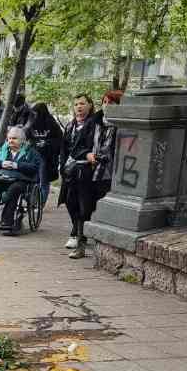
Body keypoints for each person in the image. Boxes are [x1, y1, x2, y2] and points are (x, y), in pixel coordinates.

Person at [58, 93, 102, 259]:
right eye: (76, 104)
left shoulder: (94, 125)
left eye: (82, 103)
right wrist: (62, 166)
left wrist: (85, 155)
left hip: (85, 172)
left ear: (90, 106)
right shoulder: (70, 126)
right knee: (70, 202)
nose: (79, 107)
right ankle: (76, 231)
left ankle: (81, 241)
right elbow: (64, 149)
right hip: (70, 171)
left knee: (84, 207)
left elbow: (91, 147)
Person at [0, 126, 42, 233]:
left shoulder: (31, 152)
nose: (11, 141)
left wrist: (17, 165)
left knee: (14, 189)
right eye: (9, 138)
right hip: (1, 178)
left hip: (20, 180)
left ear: (22, 140)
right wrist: (0, 163)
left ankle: (7, 221)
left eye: (14, 138)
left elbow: (35, 168)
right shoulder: (2, 150)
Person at [26, 102, 64, 203]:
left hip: (46, 157)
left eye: (36, 113)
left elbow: (59, 139)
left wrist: (46, 143)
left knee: (44, 180)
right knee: (33, 180)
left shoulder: (51, 123)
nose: (34, 116)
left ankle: (40, 204)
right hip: (34, 155)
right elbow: (27, 136)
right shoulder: (31, 122)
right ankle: (33, 202)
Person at [93, 90, 123, 203]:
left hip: (111, 174)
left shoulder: (123, 126)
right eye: (104, 102)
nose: (106, 105)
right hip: (93, 171)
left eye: (110, 103)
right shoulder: (95, 122)